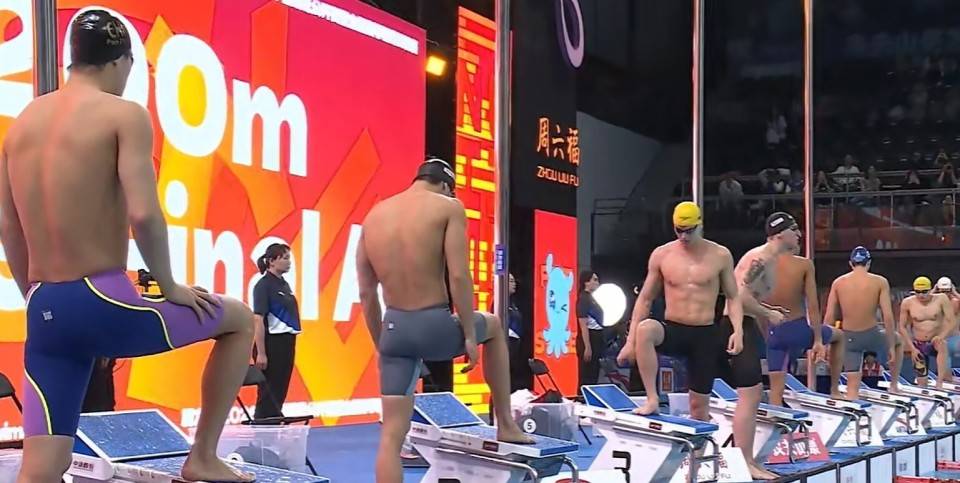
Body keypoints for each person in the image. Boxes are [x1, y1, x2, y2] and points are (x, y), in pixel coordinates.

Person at [0, 11, 255, 482]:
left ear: (74, 58)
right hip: (102, 299)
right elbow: (144, 214)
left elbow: (8, 227)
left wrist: (33, 295)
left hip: (45, 308)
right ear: (121, 62)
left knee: (42, 467)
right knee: (239, 320)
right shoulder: (124, 114)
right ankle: (202, 457)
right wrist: (170, 286)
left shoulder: (21, 127)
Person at [356, 158, 533, 483]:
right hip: (434, 327)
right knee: (495, 326)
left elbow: (367, 294)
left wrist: (381, 344)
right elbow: (459, 276)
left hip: (395, 330)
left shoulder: (374, 216)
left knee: (391, 436)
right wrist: (469, 335)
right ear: (446, 186)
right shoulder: (448, 207)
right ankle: (506, 424)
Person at [617, 202, 779, 480]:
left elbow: (733, 297)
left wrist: (738, 331)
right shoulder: (662, 255)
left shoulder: (720, 255)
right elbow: (644, 299)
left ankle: (699, 463)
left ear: (700, 225)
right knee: (646, 330)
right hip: (674, 329)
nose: (684, 236)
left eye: (689, 230)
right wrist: (630, 341)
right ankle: (652, 398)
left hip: (704, 334)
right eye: (679, 230)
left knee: (698, 408)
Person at [715, 212, 802, 480]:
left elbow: (748, 297)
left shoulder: (770, 259)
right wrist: (768, 313)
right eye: (794, 229)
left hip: (744, 325)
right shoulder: (760, 259)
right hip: (734, 326)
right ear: (779, 234)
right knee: (749, 395)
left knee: (752, 395)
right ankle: (745, 463)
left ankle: (748, 460)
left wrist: (765, 310)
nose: (799, 234)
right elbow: (738, 297)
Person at [763, 249, 846, 405]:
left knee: (775, 393)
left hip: (774, 333)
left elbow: (757, 304)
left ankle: (776, 407)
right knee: (839, 336)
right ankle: (835, 390)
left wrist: (767, 336)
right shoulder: (804, 264)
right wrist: (818, 341)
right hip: (798, 331)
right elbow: (812, 305)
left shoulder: (763, 263)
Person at [822, 246, 902, 401]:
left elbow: (830, 316)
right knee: (899, 340)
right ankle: (893, 385)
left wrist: (824, 344)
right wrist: (891, 346)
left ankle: (835, 390)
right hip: (872, 336)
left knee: (852, 388)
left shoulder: (838, 283)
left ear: (851, 263)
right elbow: (887, 316)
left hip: (849, 339)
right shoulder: (880, 282)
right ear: (869, 263)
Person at [252, 243, 301, 419]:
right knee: (269, 390)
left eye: (289, 258)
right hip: (272, 342)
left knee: (280, 387)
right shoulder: (263, 285)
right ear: (272, 261)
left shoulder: (284, 284)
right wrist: (261, 353)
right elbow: (258, 319)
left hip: (287, 341)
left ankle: (274, 422)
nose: (289, 262)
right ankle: (262, 425)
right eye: (285, 258)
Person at [900, 276, 956, 388]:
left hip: (936, 342)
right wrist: (912, 348)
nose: (921, 295)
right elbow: (902, 327)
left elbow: (952, 321)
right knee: (921, 381)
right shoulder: (907, 303)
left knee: (942, 345)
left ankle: (940, 382)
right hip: (919, 344)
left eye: (924, 292)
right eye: (918, 292)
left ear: (930, 290)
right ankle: (924, 387)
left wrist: (941, 336)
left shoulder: (941, 299)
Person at [577, 270, 605, 388]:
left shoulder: (592, 298)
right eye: (595, 280)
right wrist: (587, 346)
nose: (597, 283)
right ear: (586, 282)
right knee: (587, 374)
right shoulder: (583, 298)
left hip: (597, 337)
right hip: (589, 337)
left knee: (594, 373)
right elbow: (583, 325)